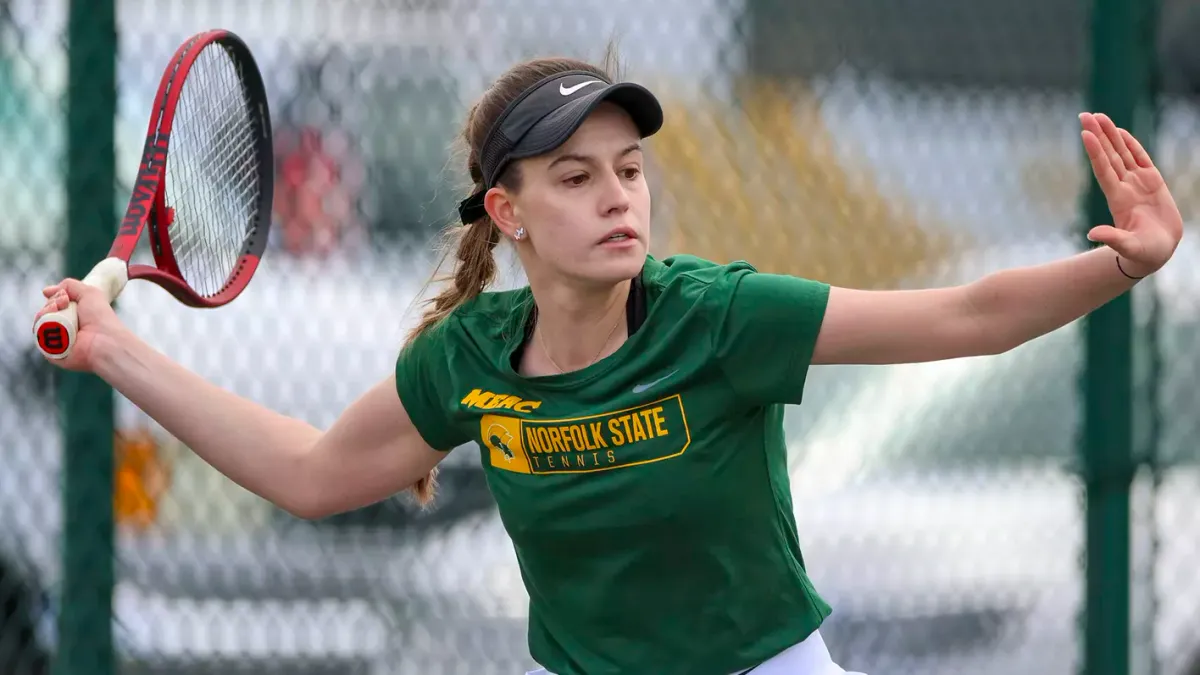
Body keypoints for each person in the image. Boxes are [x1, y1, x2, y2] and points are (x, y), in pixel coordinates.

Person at [34, 49, 1183, 675]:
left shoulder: (716, 318)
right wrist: (121, 352)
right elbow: (311, 472)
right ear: (510, 211)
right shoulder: (470, 358)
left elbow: (964, 318)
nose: (618, 197)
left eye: (628, 169)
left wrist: (1121, 265)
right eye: (575, 178)